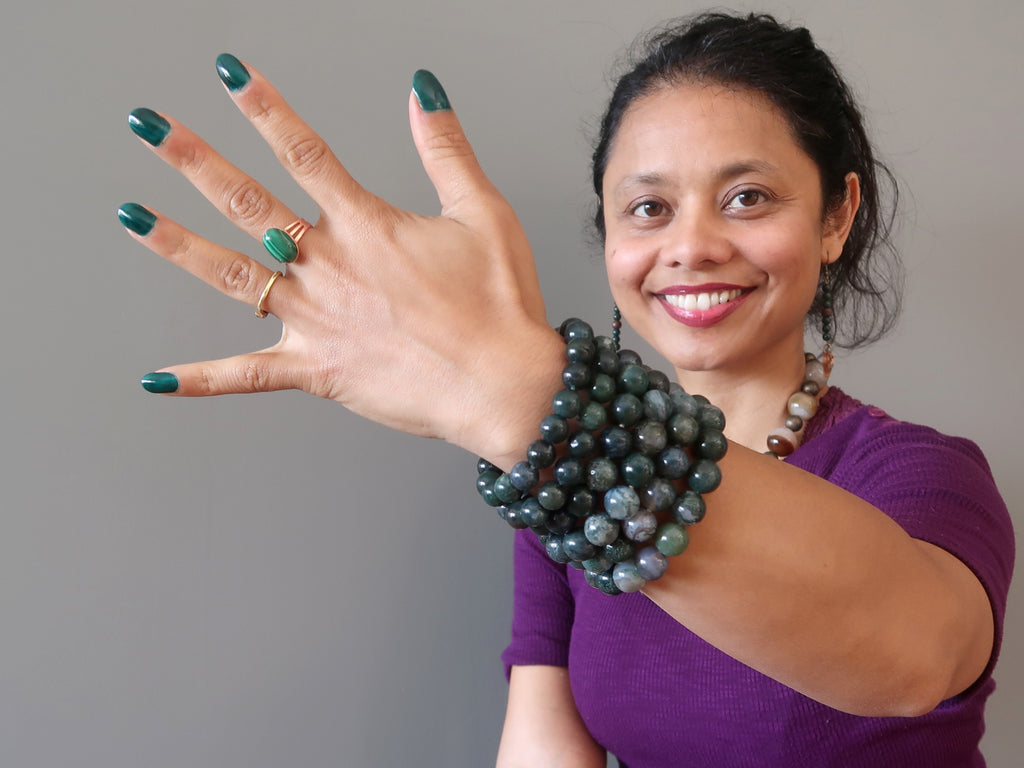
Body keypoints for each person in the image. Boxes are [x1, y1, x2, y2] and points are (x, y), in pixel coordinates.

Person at [118, 12, 1013, 768]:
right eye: (648, 208)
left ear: (836, 216)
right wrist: (532, 420)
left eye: (746, 198)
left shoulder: (927, 478)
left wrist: (521, 394)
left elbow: (908, 656)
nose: (690, 245)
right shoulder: (556, 491)